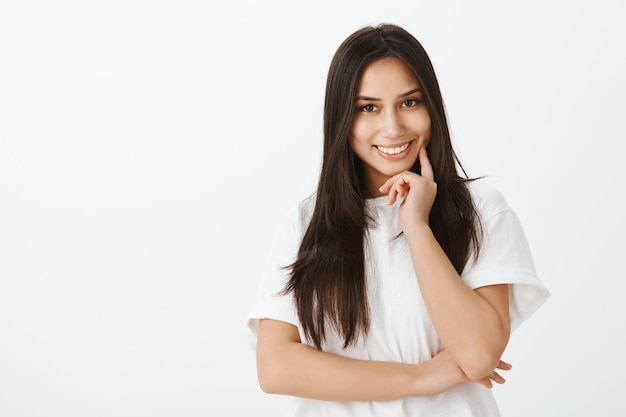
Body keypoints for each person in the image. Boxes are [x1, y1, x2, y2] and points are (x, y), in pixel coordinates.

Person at [246, 23, 550, 416]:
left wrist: (417, 226)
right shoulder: (306, 222)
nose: (393, 128)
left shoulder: (480, 209)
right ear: (342, 117)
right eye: (368, 107)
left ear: (432, 107)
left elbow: (478, 356)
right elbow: (275, 368)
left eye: (409, 102)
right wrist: (421, 378)